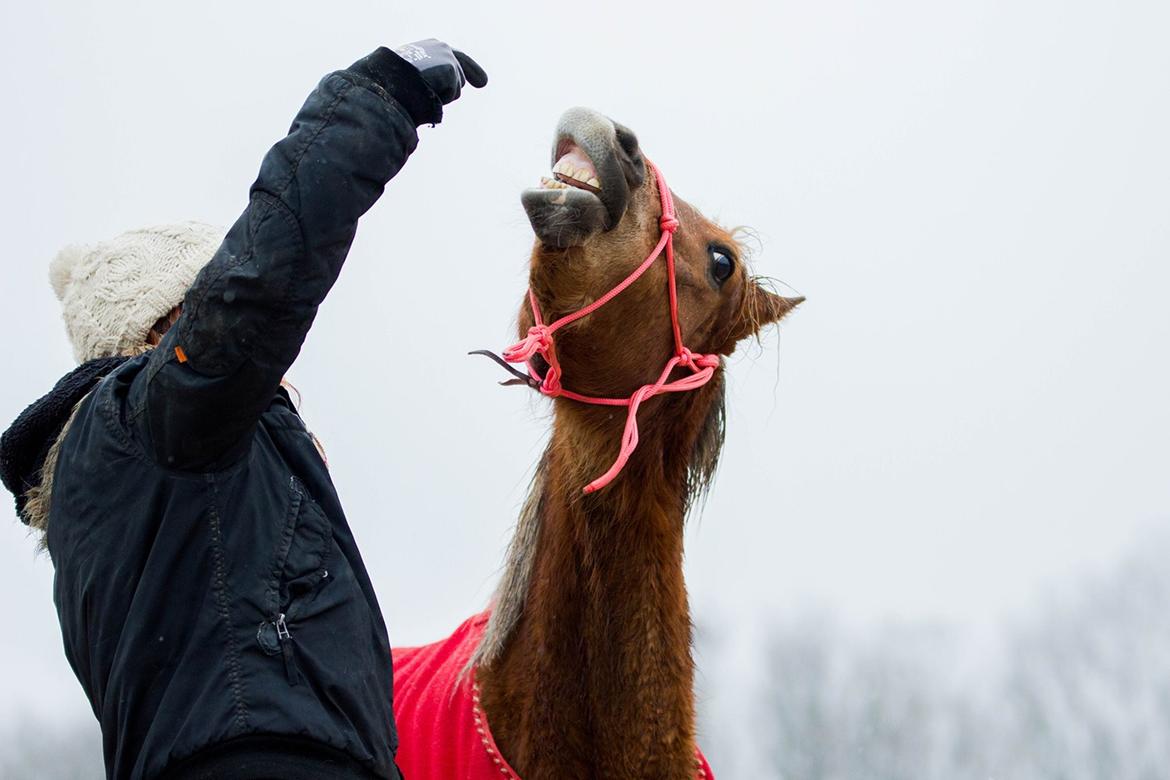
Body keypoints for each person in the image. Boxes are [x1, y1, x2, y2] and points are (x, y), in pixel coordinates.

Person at [0, 39, 486, 780]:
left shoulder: (126, 485)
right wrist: (376, 100)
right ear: (161, 328)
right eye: (196, 305)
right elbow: (258, 284)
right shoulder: (158, 417)